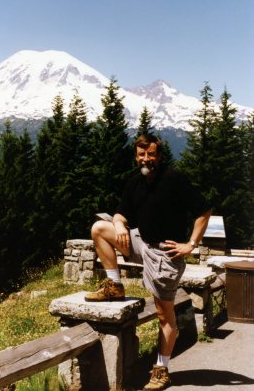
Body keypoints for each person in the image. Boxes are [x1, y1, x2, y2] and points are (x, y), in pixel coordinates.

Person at [85, 134, 211, 391]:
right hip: (142, 242)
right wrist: (119, 223)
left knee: (165, 316)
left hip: (166, 254)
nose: (146, 159)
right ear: (136, 156)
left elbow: (203, 210)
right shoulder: (135, 182)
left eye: (151, 154)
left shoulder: (174, 179)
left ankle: (162, 369)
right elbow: (123, 211)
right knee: (100, 228)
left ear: (159, 156)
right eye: (142, 155)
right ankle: (114, 285)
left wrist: (191, 244)